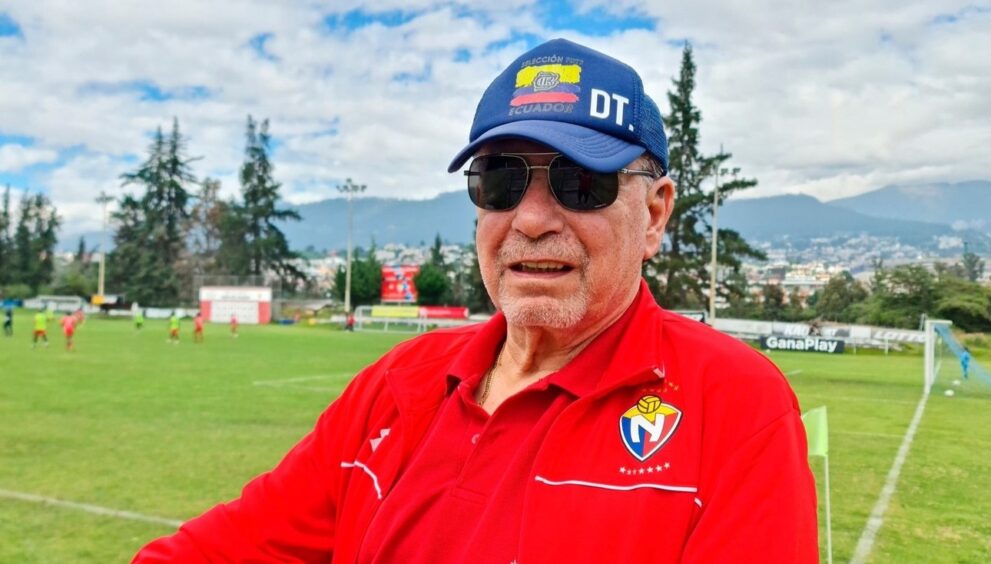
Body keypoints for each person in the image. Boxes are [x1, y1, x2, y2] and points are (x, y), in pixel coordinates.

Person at [134, 38, 817, 562]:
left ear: (655, 214)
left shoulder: (735, 406)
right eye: (500, 181)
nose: (531, 220)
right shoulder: (394, 386)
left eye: (581, 182)